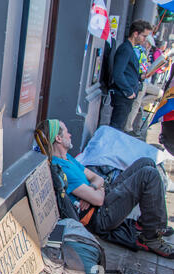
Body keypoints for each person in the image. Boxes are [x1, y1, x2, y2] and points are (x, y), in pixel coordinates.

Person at [35, 119, 174, 259]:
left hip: (102, 197)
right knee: (149, 174)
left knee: (146, 162)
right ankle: (151, 237)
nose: (70, 135)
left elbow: (97, 178)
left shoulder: (67, 158)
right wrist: (95, 191)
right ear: (58, 138)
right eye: (66, 132)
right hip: (101, 215)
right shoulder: (61, 168)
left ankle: (149, 224)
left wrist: (92, 188)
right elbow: (99, 199)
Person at [110, 20, 153, 131]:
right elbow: (118, 73)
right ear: (135, 33)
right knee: (115, 128)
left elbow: (128, 71)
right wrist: (128, 92)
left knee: (118, 128)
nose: (145, 39)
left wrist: (141, 76)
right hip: (123, 95)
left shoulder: (130, 49)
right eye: (144, 36)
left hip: (126, 95)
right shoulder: (126, 49)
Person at [124, 36, 163, 136]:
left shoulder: (143, 52)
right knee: (136, 105)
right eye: (148, 44)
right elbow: (135, 66)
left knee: (159, 93)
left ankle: (141, 103)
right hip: (140, 80)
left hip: (145, 81)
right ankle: (128, 128)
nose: (149, 46)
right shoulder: (138, 50)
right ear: (145, 42)